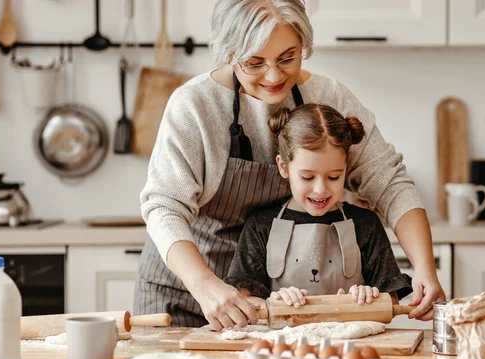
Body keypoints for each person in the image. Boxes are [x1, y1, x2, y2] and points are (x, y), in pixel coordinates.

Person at [135, 0, 445, 330]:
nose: (273, 75)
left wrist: (424, 265)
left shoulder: (327, 95)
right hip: (186, 289)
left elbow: (389, 180)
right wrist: (205, 285)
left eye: (287, 58)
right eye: (254, 62)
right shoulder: (195, 104)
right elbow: (164, 207)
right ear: (228, 53)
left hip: (270, 302)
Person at [224, 104, 413, 309]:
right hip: (283, 341)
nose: (320, 189)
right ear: (283, 167)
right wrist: (273, 303)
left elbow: (391, 301)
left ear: (345, 169)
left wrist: (371, 297)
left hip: (350, 341)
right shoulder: (260, 226)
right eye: (307, 177)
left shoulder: (365, 224)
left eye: (334, 177)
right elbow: (243, 301)